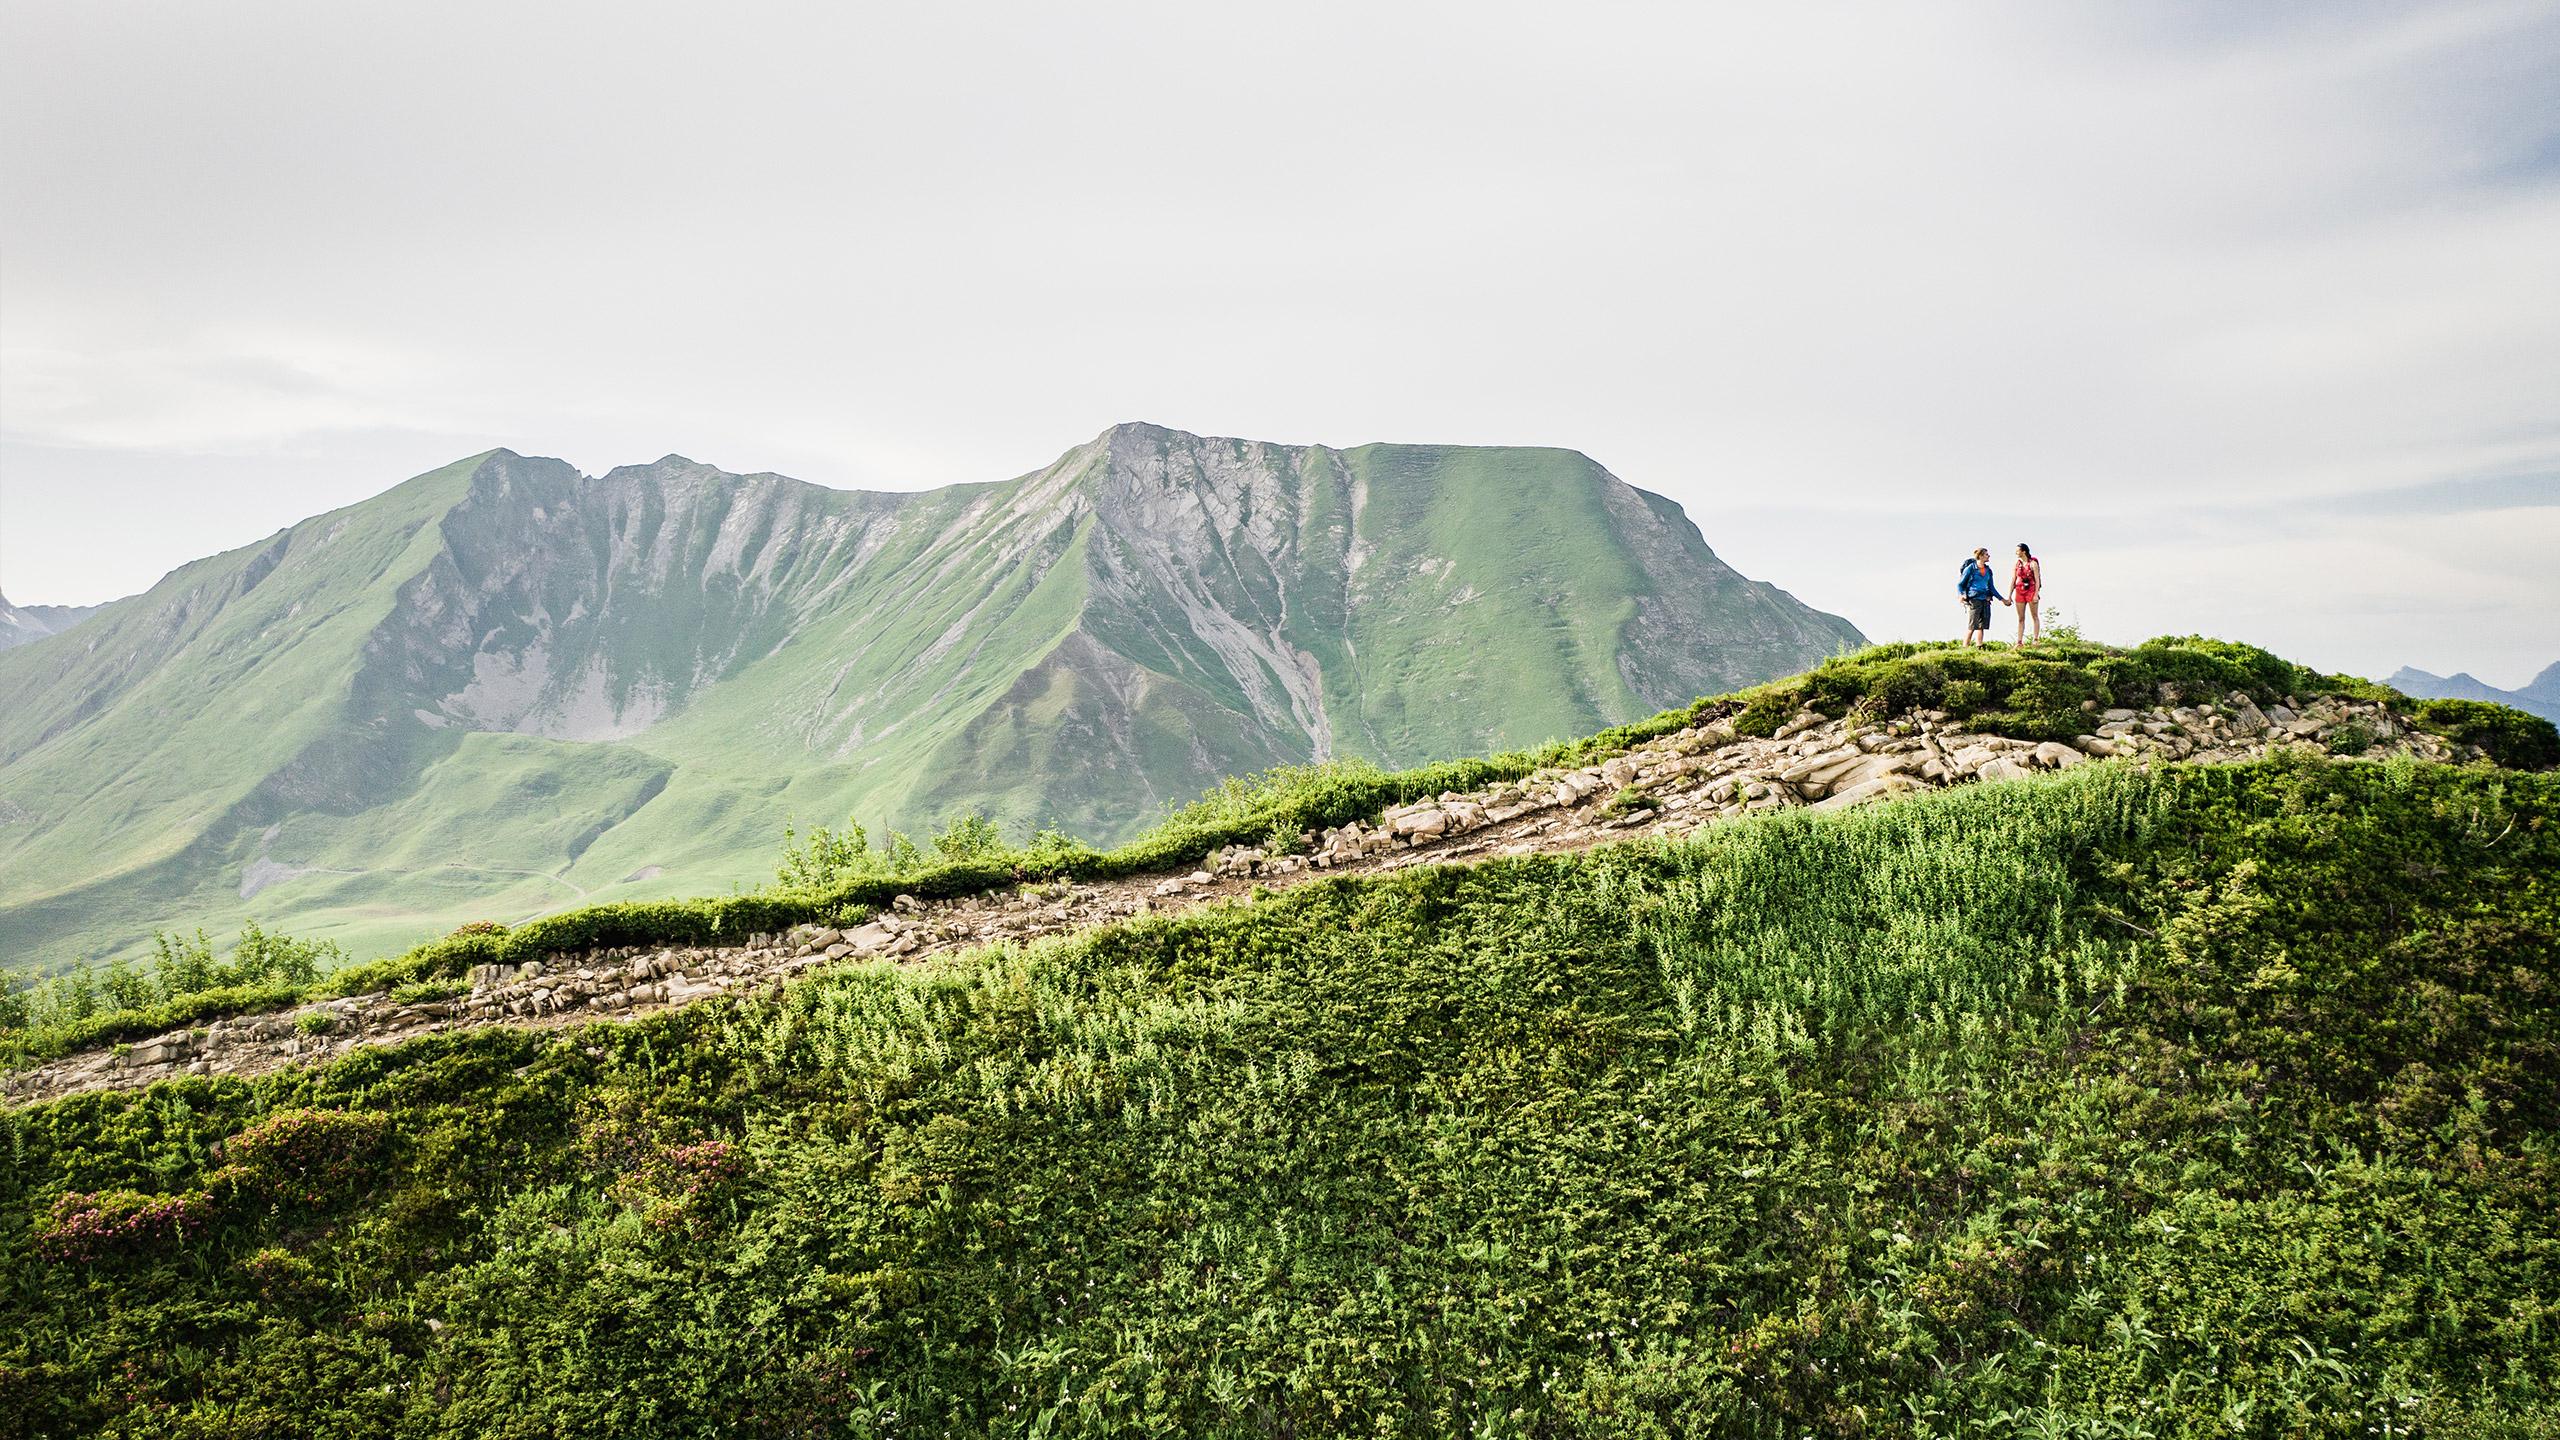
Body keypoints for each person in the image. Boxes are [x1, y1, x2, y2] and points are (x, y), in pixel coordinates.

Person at [1957, 547, 2005, 647]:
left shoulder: (1988, 570)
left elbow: (1991, 587)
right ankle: (1965, 647)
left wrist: (2002, 599)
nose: (1989, 556)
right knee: (1972, 625)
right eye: (1986, 554)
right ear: (1980, 556)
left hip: (1985, 599)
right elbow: (1960, 584)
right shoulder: (1971, 568)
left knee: (1981, 626)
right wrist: (1962, 595)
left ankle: (1979, 646)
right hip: (1974, 598)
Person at [2011, 543, 2043, 645]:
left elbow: (2037, 580)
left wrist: (2036, 594)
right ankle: (2019, 641)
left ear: (2023, 551)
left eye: (2018, 550)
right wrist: (2009, 594)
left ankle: (2035, 639)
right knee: (2021, 618)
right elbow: (2013, 579)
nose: (2016, 552)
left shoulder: (2033, 564)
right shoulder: (2017, 564)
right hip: (2019, 591)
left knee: (2034, 615)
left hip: (2031, 590)